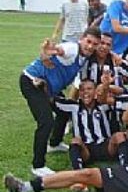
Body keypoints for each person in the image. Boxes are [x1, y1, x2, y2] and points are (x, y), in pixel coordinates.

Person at [19, 27, 101, 177]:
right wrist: (50, 51)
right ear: (81, 39)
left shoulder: (87, 55)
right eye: (88, 41)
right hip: (33, 82)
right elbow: (60, 50)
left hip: (49, 88)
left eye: (94, 44)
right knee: (46, 121)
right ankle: (38, 165)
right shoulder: (72, 48)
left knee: (64, 111)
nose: (90, 46)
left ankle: (55, 143)